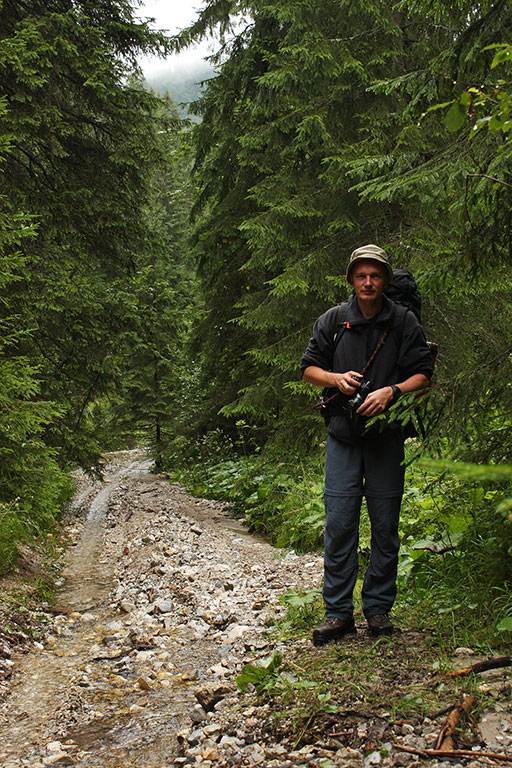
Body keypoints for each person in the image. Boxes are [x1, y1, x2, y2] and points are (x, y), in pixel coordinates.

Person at [300, 244, 433, 643]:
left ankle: (377, 610)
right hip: (343, 434)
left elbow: (423, 375)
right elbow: (307, 369)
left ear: (385, 280)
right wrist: (336, 379)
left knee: (385, 526)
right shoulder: (334, 321)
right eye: (361, 275)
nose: (368, 282)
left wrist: (391, 391)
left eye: (375, 275)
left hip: (386, 439)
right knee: (339, 524)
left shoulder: (404, 322)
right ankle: (338, 614)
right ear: (351, 280)